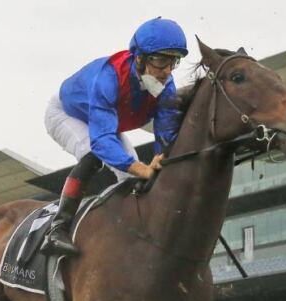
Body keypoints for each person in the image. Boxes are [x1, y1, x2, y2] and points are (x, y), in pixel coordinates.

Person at [41, 17, 188, 256]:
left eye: (173, 62)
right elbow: (101, 140)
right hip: (65, 113)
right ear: (139, 58)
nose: (167, 71)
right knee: (93, 156)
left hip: (102, 121)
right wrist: (140, 168)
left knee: (130, 177)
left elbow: (166, 133)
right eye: (161, 60)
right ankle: (57, 229)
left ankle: (134, 230)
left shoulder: (165, 87)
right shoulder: (109, 78)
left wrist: (160, 159)